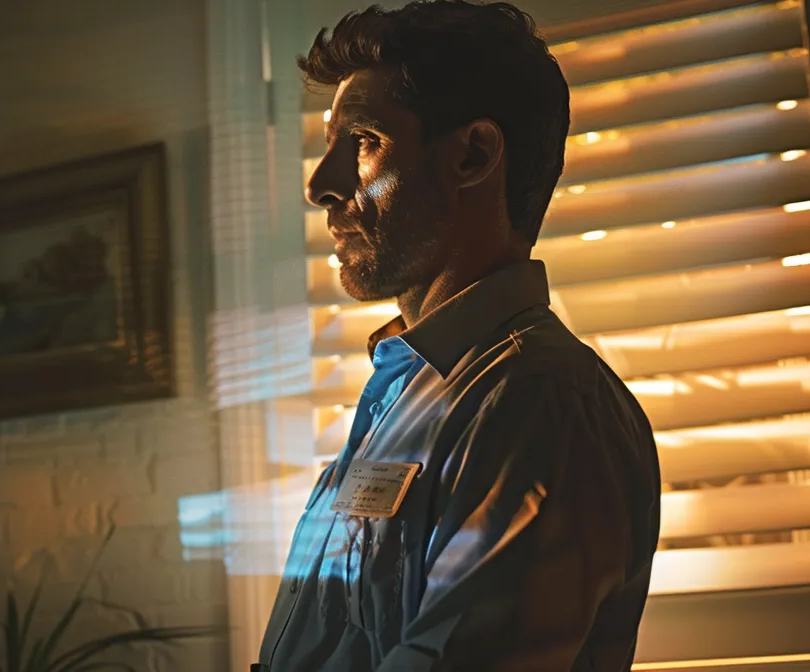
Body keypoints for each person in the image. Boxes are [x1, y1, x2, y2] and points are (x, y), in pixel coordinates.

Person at [256, 2, 660, 670]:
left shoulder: (537, 404)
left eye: (361, 141)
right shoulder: (411, 392)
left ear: (472, 154)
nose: (319, 185)